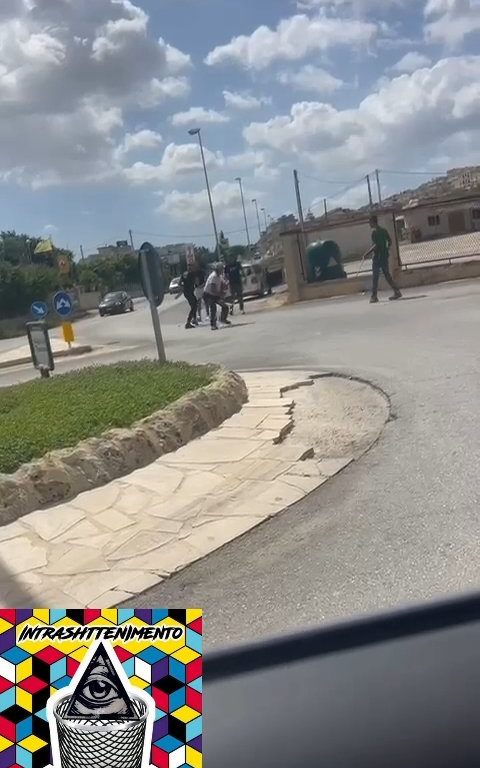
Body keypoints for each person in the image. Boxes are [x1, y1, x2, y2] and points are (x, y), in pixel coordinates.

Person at [365, 216, 402, 304]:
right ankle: (397, 291)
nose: (369, 224)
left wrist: (367, 253)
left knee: (375, 277)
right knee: (387, 275)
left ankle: (374, 296)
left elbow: (376, 245)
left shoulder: (374, 232)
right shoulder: (384, 230)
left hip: (377, 257)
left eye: (369, 222)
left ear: (373, 222)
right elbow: (389, 241)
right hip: (384, 256)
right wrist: (385, 249)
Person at [204, 263, 231, 330]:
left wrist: (226, 285)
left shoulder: (220, 276)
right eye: (222, 269)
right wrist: (220, 295)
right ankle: (213, 325)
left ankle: (223, 319)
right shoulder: (214, 276)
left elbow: (223, 284)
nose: (223, 270)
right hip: (208, 295)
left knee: (225, 307)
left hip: (215, 295)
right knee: (213, 308)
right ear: (218, 269)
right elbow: (212, 289)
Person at [178, 263, 198, 328]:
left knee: (194, 305)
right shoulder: (192, 274)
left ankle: (193, 319)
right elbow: (196, 282)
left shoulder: (184, 274)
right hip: (189, 292)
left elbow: (179, 284)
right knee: (194, 306)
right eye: (192, 266)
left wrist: (183, 288)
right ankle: (188, 322)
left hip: (187, 292)